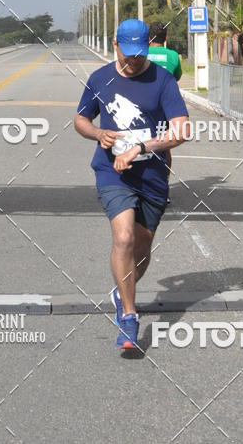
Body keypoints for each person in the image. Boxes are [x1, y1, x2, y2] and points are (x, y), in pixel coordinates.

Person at [74, 19, 189, 352]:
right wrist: (98, 134)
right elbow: (81, 119)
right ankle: (128, 317)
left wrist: (143, 147)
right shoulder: (100, 78)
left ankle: (121, 291)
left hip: (153, 175)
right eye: (129, 53)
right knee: (123, 236)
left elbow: (181, 130)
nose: (135, 59)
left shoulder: (162, 80)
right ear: (115, 44)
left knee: (141, 250)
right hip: (112, 172)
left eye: (141, 52)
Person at [148, 21, 182, 180]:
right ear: (165, 37)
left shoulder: (142, 53)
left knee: (140, 143)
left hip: (143, 105)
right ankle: (164, 184)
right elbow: (177, 77)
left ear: (149, 38)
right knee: (164, 146)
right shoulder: (173, 56)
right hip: (165, 108)